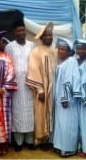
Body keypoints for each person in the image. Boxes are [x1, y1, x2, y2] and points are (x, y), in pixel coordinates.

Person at [4, 20, 36, 151]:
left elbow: (35, 64)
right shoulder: (9, 47)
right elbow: (7, 66)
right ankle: (18, 142)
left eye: (23, 30)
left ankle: (29, 141)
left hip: (30, 83)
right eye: (18, 30)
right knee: (17, 111)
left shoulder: (32, 45)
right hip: (15, 84)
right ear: (14, 32)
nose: (21, 32)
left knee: (29, 111)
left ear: (25, 31)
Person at [26, 22, 58, 150]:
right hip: (43, 88)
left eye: (50, 35)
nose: (49, 38)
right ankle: (42, 138)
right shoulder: (36, 51)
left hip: (55, 88)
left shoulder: (56, 49)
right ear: (41, 38)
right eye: (46, 36)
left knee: (54, 112)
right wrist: (39, 90)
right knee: (41, 113)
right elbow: (33, 70)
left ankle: (52, 138)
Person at [52, 37, 82, 157]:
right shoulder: (63, 63)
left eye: (64, 50)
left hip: (67, 99)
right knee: (61, 122)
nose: (60, 52)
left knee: (68, 123)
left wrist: (65, 98)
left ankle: (69, 148)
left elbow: (70, 80)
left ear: (70, 51)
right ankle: (60, 145)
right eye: (59, 49)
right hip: (61, 98)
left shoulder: (71, 61)